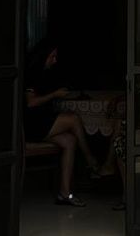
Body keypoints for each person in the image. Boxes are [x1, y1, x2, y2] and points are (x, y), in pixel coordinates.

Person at [24, 39, 101, 207]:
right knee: (73, 119)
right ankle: (89, 159)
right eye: (52, 56)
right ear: (43, 56)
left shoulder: (45, 73)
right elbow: (31, 103)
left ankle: (64, 193)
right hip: (32, 126)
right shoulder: (31, 74)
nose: (54, 60)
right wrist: (54, 94)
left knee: (69, 140)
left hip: (42, 123)